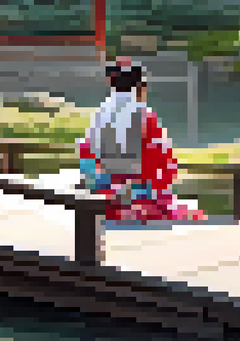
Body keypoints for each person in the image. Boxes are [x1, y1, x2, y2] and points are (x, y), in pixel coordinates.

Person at [76, 57, 207, 222]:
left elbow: (88, 155)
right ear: (140, 87)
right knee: (193, 213)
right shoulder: (144, 116)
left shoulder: (100, 114)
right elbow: (165, 162)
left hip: (104, 191)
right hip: (139, 195)